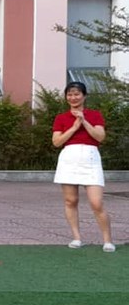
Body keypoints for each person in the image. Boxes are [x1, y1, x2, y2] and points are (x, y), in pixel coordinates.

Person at [52, 81, 115, 252]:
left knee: (96, 202)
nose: (73, 97)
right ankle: (76, 238)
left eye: (77, 94)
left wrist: (84, 121)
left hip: (90, 158)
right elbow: (57, 142)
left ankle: (108, 240)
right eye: (70, 94)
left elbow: (100, 137)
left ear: (84, 96)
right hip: (69, 159)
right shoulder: (61, 118)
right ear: (66, 97)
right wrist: (74, 128)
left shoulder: (95, 115)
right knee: (70, 200)